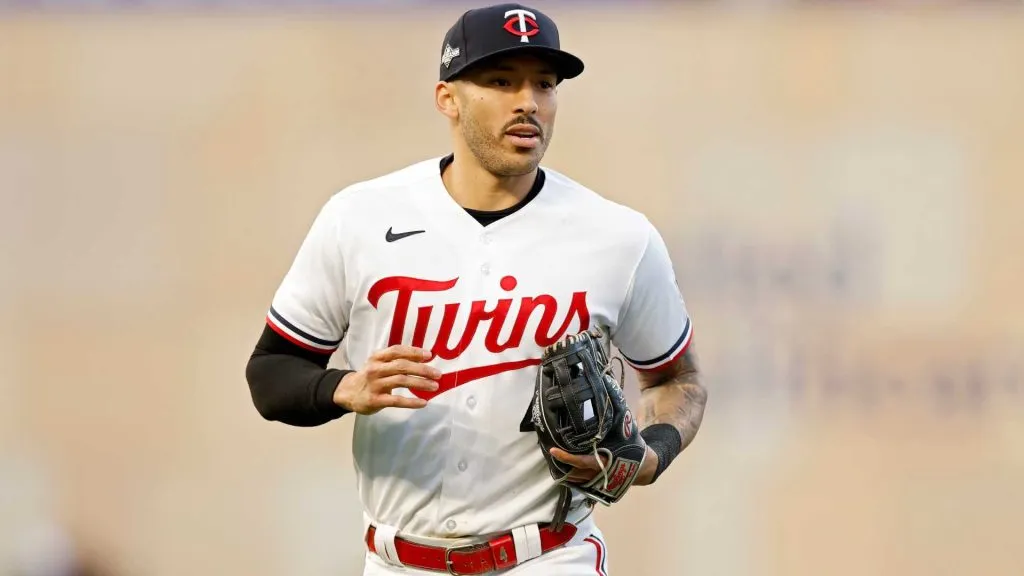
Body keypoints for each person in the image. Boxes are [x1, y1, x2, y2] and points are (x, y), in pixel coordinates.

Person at [245, 3, 708, 574]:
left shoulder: (617, 236)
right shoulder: (359, 218)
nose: (528, 102)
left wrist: (651, 453)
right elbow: (270, 373)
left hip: (549, 557)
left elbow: (678, 378)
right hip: (397, 562)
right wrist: (343, 387)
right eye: (500, 81)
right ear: (447, 98)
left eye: (544, 83)